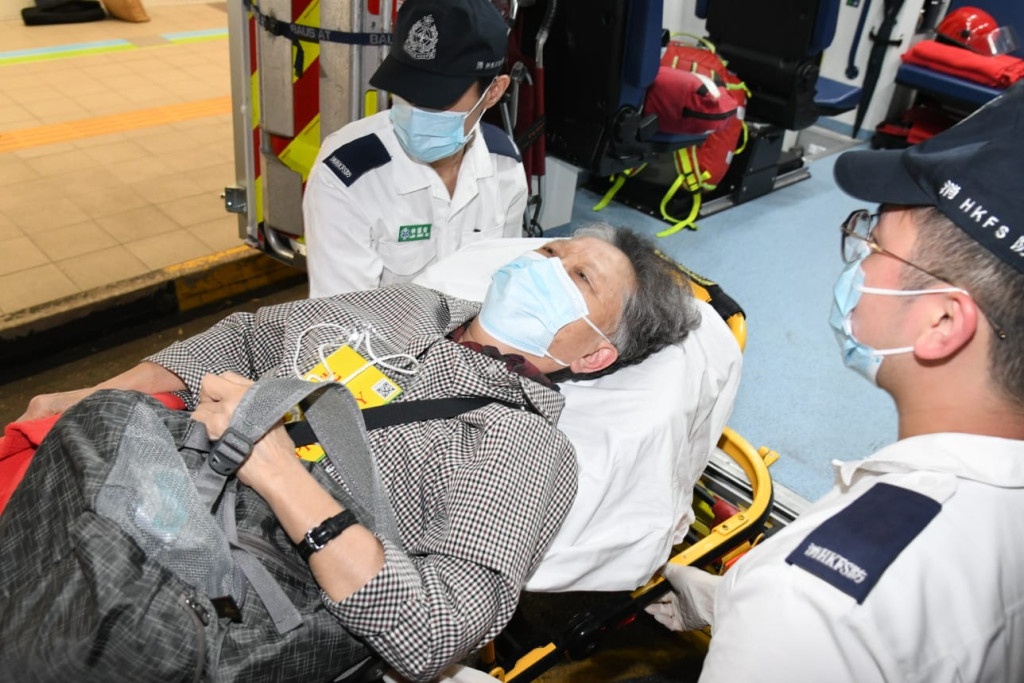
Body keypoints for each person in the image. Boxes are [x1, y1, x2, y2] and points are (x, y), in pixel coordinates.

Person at [21, 224, 700, 681]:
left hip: (226, 589)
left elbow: (434, 630)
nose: (544, 268)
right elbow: (248, 339)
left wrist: (279, 471)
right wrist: (87, 392)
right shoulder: (409, 306)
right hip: (161, 482)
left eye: (579, 278)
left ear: (595, 355)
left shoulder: (522, 443)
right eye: (550, 251)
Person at [646, 83, 1024, 681]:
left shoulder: (809, 604)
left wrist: (770, 622)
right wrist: (734, 599)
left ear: (942, 322)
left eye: (874, 242)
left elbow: (832, 617)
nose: (857, 260)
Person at [302, 0, 527, 298]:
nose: (415, 110)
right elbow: (342, 314)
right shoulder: (347, 176)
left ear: (493, 92)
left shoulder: (504, 166)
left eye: (438, 98)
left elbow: (505, 286)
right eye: (407, 91)